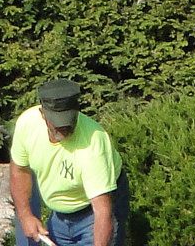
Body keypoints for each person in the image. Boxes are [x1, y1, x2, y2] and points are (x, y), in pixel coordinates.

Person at [9, 77, 122, 246]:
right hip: (60, 214)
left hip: (94, 209)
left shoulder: (93, 142)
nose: (65, 129)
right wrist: (25, 215)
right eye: (58, 124)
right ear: (43, 114)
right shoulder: (27, 125)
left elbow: (103, 212)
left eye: (70, 122)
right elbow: (19, 170)